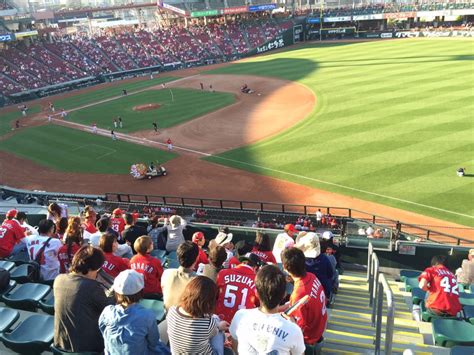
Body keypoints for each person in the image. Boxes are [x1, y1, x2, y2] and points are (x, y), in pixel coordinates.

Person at [230, 265, 305, 354]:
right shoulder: (293, 330)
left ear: (256, 293)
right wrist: (294, 325)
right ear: (284, 295)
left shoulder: (240, 316)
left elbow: (235, 346)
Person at [54, 246, 114, 352]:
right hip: (85, 348)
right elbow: (111, 307)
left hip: (61, 342)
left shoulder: (59, 279)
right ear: (92, 268)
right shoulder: (91, 287)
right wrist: (115, 289)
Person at [99, 270, 170, 355]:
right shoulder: (147, 315)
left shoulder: (107, 312)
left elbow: (103, 331)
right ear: (140, 291)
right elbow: (153, 343)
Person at [167, 276, 228, 354]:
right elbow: (213, 330)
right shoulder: (208, 323)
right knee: (216, 320)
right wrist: (219, 326)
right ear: (208, 302)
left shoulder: (172, 310)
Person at [281, 247, 327, 346]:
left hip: (310, 337)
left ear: (285, 268)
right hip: (320, 326)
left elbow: (298, 329)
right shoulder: (312, 276)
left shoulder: (298, 294)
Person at [215, 253, 261, 323]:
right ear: (255, 268)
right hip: (241, 326)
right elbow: (260, 305)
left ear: (242, 262)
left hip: (219, 322)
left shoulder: (223, 273)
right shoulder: (257, 280)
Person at [296, 232, 334, 301]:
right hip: (322, 293)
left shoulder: (299, 261)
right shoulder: (324, 258)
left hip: (305, 295)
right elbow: (330, 274)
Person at [161, 241, 199, 310]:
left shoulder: (166, 273)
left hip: (169, 316)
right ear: (196, 258)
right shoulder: (199, 282)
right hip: (183, 318)